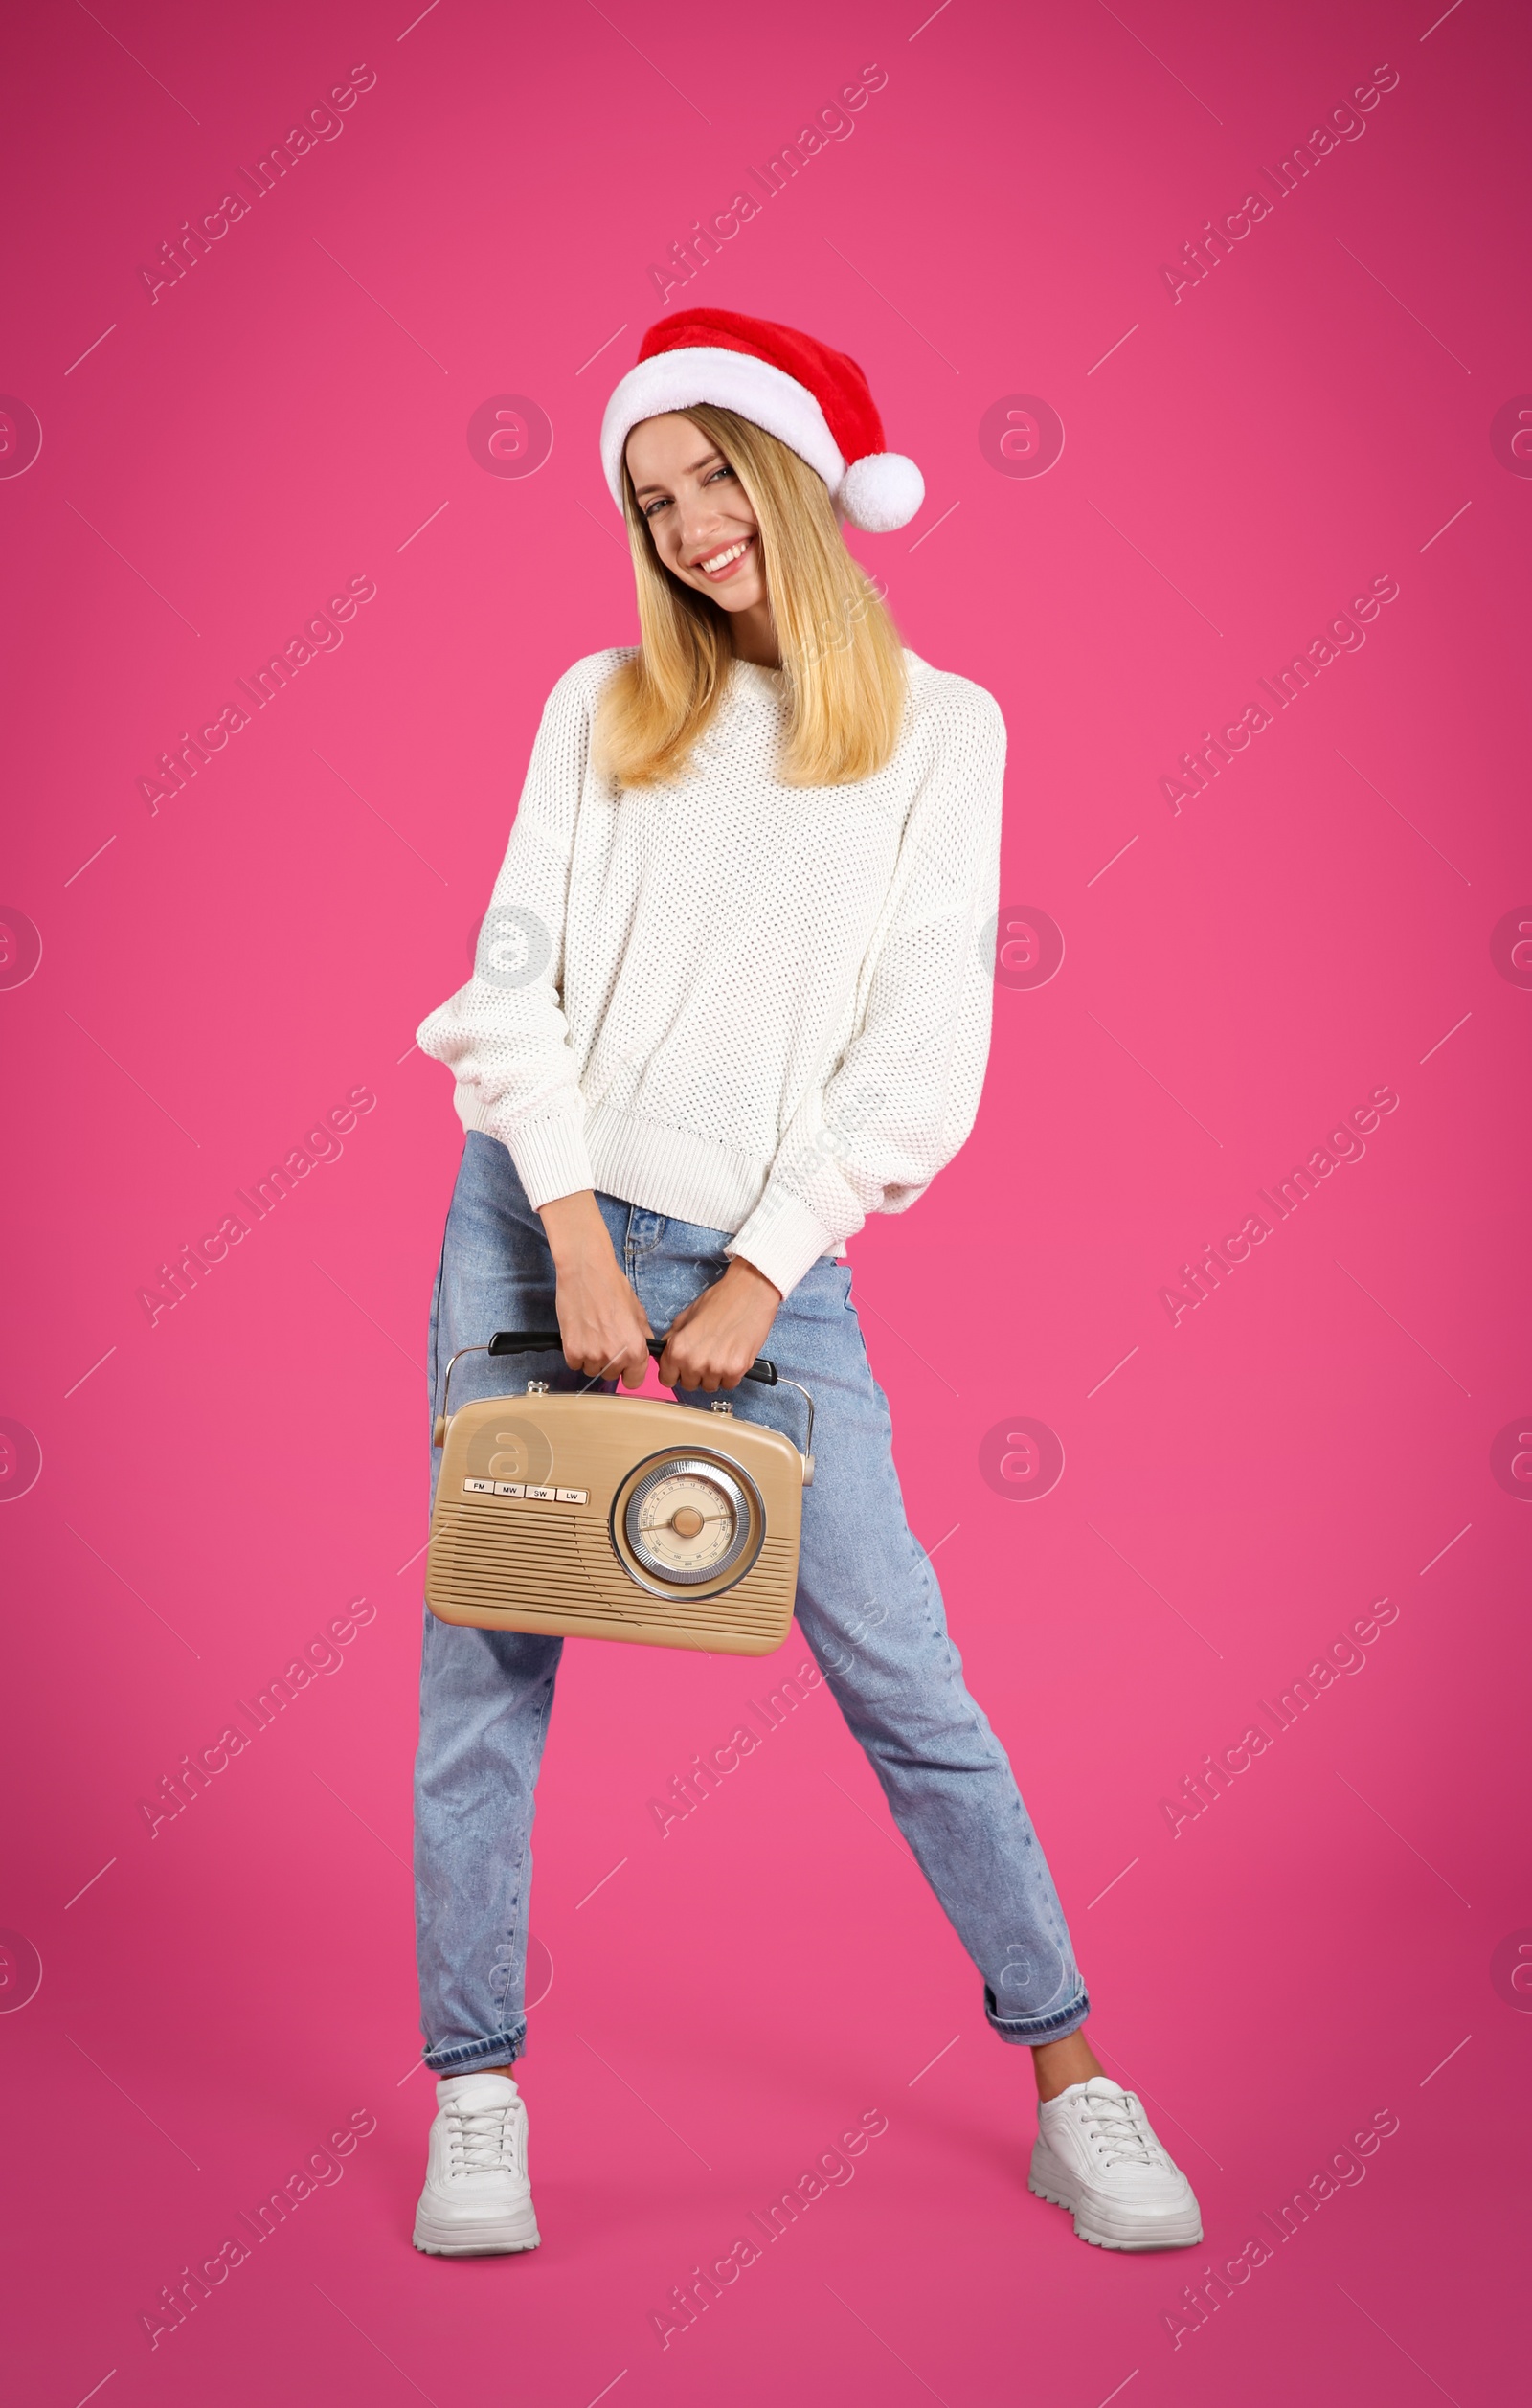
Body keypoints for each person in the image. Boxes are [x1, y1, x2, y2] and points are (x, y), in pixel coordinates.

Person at [408, 307, 1202, 2259]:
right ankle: (476, 2091)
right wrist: (579, 1232)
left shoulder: (946, 731)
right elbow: (513, 987)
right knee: (485, 1669)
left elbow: (920, 1048)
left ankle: (1071, 2080)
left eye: (710, 478)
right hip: (537, 1224)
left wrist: (761, 1265)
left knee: (901, 1671)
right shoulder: (599, 703)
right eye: (650, 497)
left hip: (779, 1262)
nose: (685, 526)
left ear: (795, 477)